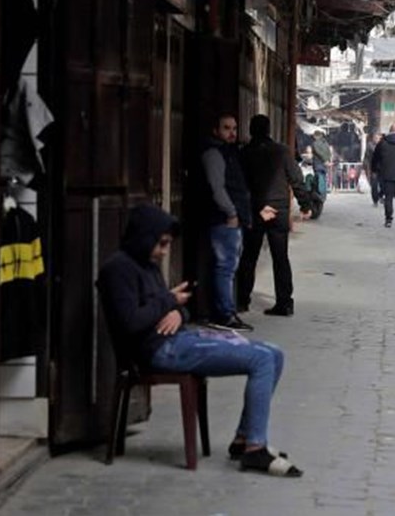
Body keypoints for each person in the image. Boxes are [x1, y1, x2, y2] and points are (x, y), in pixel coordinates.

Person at [97, 204, 302, 477]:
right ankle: (255, 447)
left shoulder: (147, 265)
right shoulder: (118, 269)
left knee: (273, 353)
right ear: (144, 238)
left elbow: (178, 309)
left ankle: (244, 438)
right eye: (161, 244)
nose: (163, 251)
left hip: (177, 339)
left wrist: (177, 313)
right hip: (158, 350)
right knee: (262, 358)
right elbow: (130, 321)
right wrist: (169, 302)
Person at [238, 115, 314, 317]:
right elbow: (296, 179)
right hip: (279, 209)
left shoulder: (245, 153)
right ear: (269, 129)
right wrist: (305, 204)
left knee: (249, 257)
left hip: (256, 210)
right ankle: (284, 303)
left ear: (251, 130)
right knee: (280, 258)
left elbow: (240, 185)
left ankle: (242, 300)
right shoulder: (282, 151)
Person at [200, 114, 253, 331]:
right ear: (216, 130)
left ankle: (227, 311)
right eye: (226, 128)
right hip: (224, 219)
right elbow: (217, 187)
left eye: (234, 128)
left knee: (229, 267)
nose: (231, 132)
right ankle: (224, 314)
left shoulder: (229, 152)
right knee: (226, 267)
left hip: (232, 217)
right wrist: (231, 212)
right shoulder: (214, 153)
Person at [363, 132, 384, 207]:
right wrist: (364, 166)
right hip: (374, 167)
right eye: (376, 138)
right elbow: (367, 157)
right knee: (374, 184)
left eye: (379, 138)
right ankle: (375, 199)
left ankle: (381, 196)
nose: (377, 139)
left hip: (383, 168)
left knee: (383, 184)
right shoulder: (370, 145)